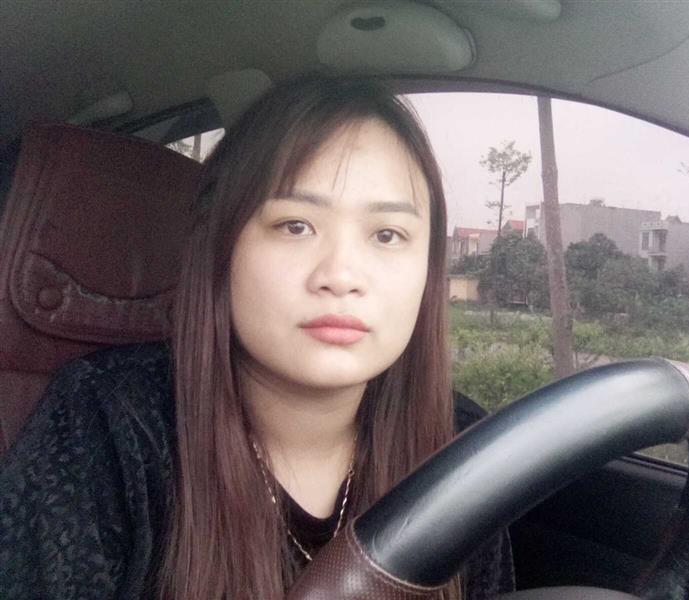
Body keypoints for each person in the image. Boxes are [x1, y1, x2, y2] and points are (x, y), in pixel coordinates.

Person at [0, 76, 514, 599]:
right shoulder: (108, 425)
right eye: (295, 225)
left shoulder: (460, 445)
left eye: (387, 234)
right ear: (221, 247)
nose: (341, 275)